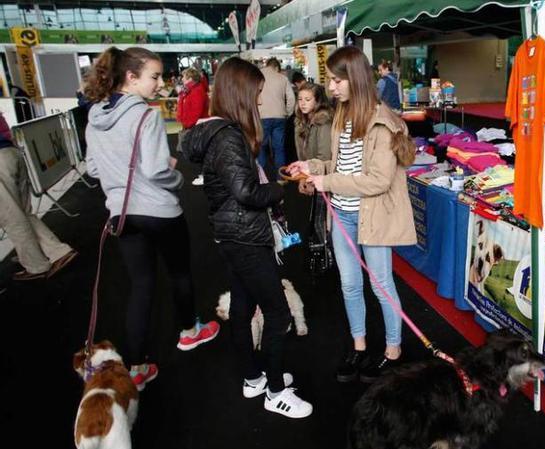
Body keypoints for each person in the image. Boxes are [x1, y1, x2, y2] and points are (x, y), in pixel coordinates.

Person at [182, 57, 312, 419]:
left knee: (241, 309)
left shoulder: (216, 132)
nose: (258, 102)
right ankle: (275, 390)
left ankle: (255, 377)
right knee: (277, 312)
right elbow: (247, 192)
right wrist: (277, 190)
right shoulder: (228, 136)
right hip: (246, 236)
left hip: (231, 234)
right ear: (240, 94)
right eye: (255, 95)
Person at [83, 47, 220, 391]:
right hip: (160, 211)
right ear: (131, 77)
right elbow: (157, 169)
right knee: (179, 274)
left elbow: (93, 168)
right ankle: (190, 332)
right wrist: (178, 179)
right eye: (154, 76)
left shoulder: (95, 117)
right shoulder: (146, 116)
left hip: (122, 212)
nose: (160, 84)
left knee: (141, 287)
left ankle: (137, 367)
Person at [285, 46, 416, 384]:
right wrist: (312, 166)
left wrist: (324, 179)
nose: (330, 87)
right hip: (341, 215)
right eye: (330, 81)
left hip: (373, 218)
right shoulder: (341, 116)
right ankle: (359, 346)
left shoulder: (383, 123)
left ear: (354, 80)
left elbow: (377, 180)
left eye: (336, 81)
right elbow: (340, 166)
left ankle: (393, 350)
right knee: (349, 284)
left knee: (381, 284)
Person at [0, 112, 78, 281]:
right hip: (9, 152)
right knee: (23, 213)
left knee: (12, 218)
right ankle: (56, 251)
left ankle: (36, 265)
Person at [258, 58, 296, 180]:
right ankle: (280, 179)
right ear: (276, 67)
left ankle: (262, 178)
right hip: (280, 117)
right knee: (279, 148)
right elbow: (291, 99)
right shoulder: (283, 78)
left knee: (261, 148)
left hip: (261, 116)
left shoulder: (257, 76)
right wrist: (287, 113)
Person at [294, 82, 333, 195]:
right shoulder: (300, 121)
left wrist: (312, 180)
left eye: (307, 99)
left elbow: (325, 157)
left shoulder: (323, 122)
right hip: (310, 174)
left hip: (323, 179)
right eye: (300, 99)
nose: (302, 103)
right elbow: (302, 156)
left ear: (317, 101)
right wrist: (302, 177)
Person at [176, 67, 209, 152]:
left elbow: (196, 112)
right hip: (191, 126)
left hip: (195, 127)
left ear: (190, 78)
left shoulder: (197, 91)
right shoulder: (188, 90)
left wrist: (187, 124)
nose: (182, 79)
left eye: (183, 77)